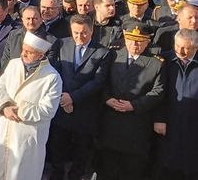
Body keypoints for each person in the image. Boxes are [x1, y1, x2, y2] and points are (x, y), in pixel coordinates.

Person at [0, 32, 62, 180]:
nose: (24, 54)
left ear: (40, 55)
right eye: (23, 50)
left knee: (21, 173)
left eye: (29, 52)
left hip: (27, 135)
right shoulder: (13, 64)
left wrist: (19, 111)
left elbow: (47, 110)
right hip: (5, 127)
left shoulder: (52, 77)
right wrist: (4, 107)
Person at [47, 13, 113, 180]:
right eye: (75, 33)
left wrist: (73, 98)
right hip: (61, 107)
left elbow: (98, 81)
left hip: (84, 111)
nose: (79, 37)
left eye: (84, 33)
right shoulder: (62, 44)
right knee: (57, 148)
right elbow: (54, 72)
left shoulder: (103, 52)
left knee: (81, 152)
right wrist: (63, 98)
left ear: (91, 30)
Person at [96, 24, 164, 180]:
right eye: (131, 40)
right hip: (110, 122)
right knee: (106, 168)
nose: (134, 44)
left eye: (139, 41)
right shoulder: (113, 56)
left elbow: (158, 91)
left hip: (136, 125)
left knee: (131, 170)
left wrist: (134, 105)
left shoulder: (156, 63)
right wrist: (107, 99)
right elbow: (102, 80)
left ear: (147, 42)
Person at [154, 28, 198, 180]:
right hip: (169, 121)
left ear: (196, 47)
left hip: (193, 123)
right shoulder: (165, 61)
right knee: (168, 165)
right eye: (177, 46)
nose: (180, 51)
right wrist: (159, 118)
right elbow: (159, 92)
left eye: (186, 48)